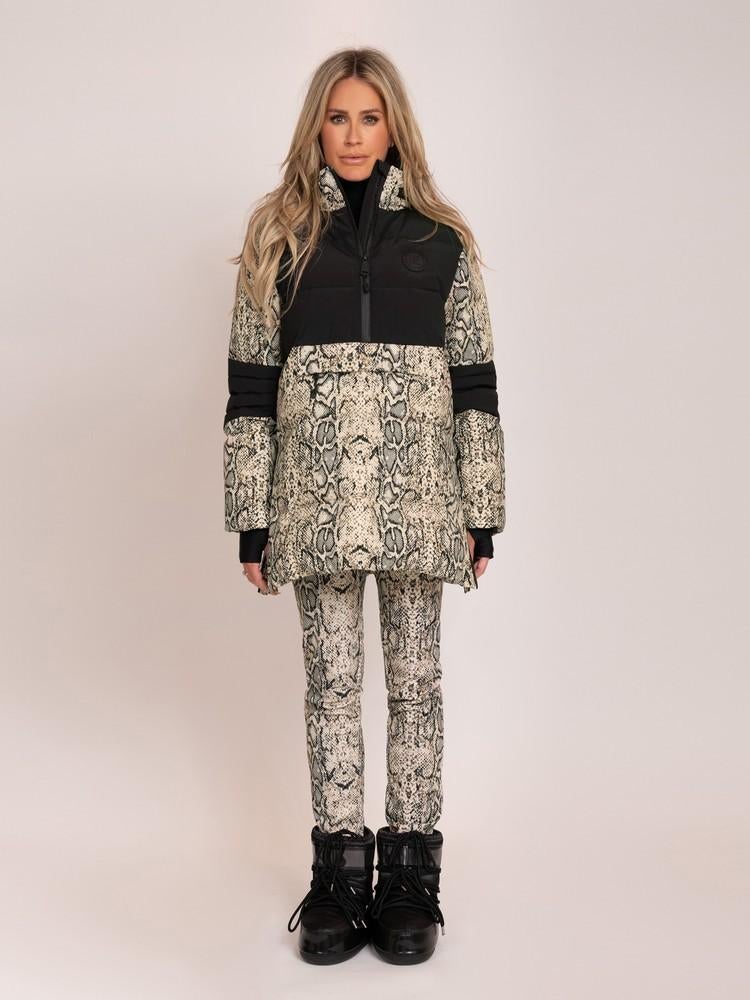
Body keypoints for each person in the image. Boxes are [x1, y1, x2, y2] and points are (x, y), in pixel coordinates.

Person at [222, 47, 506, 965]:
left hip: (423, 501)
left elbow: (475, 383)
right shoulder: (278, 237)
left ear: (394, 129)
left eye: (369, 118)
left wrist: (482, 508)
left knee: (416, 687)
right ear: (317, 124)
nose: (352, 135)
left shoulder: (442, 240)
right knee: (332, 688)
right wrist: (253, 518)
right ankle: (341, 876)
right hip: (313, 501)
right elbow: (250, 387)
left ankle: (411, 877)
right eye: (338, 117)